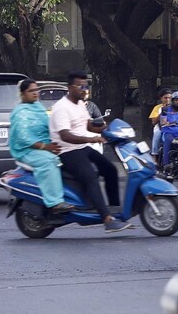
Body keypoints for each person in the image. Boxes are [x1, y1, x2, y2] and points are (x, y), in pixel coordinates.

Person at [49, 72, 131, 233]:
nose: (84, 89)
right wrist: (91, 140)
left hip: (82, 147)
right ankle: (107, 220)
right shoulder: (61, 108)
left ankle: (115, 211)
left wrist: (105, 129)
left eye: (86, 86)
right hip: (67, 151)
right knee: (91, 178)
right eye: (81, 86)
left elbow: (87, 126)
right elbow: (65, 135)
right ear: (70, 88)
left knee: (110, 170)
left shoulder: (80, 104)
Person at [9, 78, 69, 214]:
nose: (35, 93)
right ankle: (55, 202)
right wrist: (46, 147)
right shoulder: (21, 113)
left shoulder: (38, 107)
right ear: (23, 94)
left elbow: (48, 127)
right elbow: (24, 138)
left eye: (36, 90)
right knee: (49, 161)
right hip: (27, 150)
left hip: (44, 145)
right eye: (31, 91)